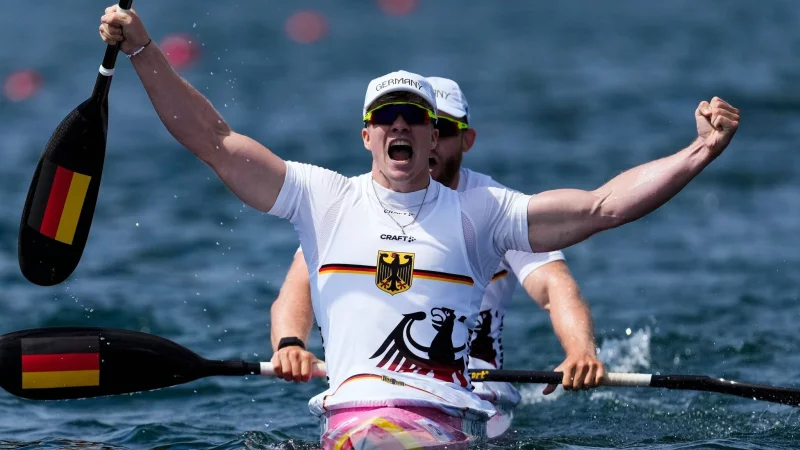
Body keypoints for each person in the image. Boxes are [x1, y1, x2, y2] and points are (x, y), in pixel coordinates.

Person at [99, 6, 740, 448]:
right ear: (367, 135)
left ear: (436, 136)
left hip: (447, 420)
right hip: (352, 420)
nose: (399, 126)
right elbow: (214, 140)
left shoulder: (480, 213)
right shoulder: (323, 199)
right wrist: (143, 50)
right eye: (387, 118)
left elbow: (603, 207)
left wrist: (698, 152)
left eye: (413, 117)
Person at [269, 77, 604, 431]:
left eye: (441, 129)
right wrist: (290, 343)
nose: (419, 138)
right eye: (406, 120)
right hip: (374, 386)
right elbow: (298, 284)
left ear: (466, 140)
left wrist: (581, 350)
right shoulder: (347, 207)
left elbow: (554, 285)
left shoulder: (492, 208)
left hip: (479, 386)